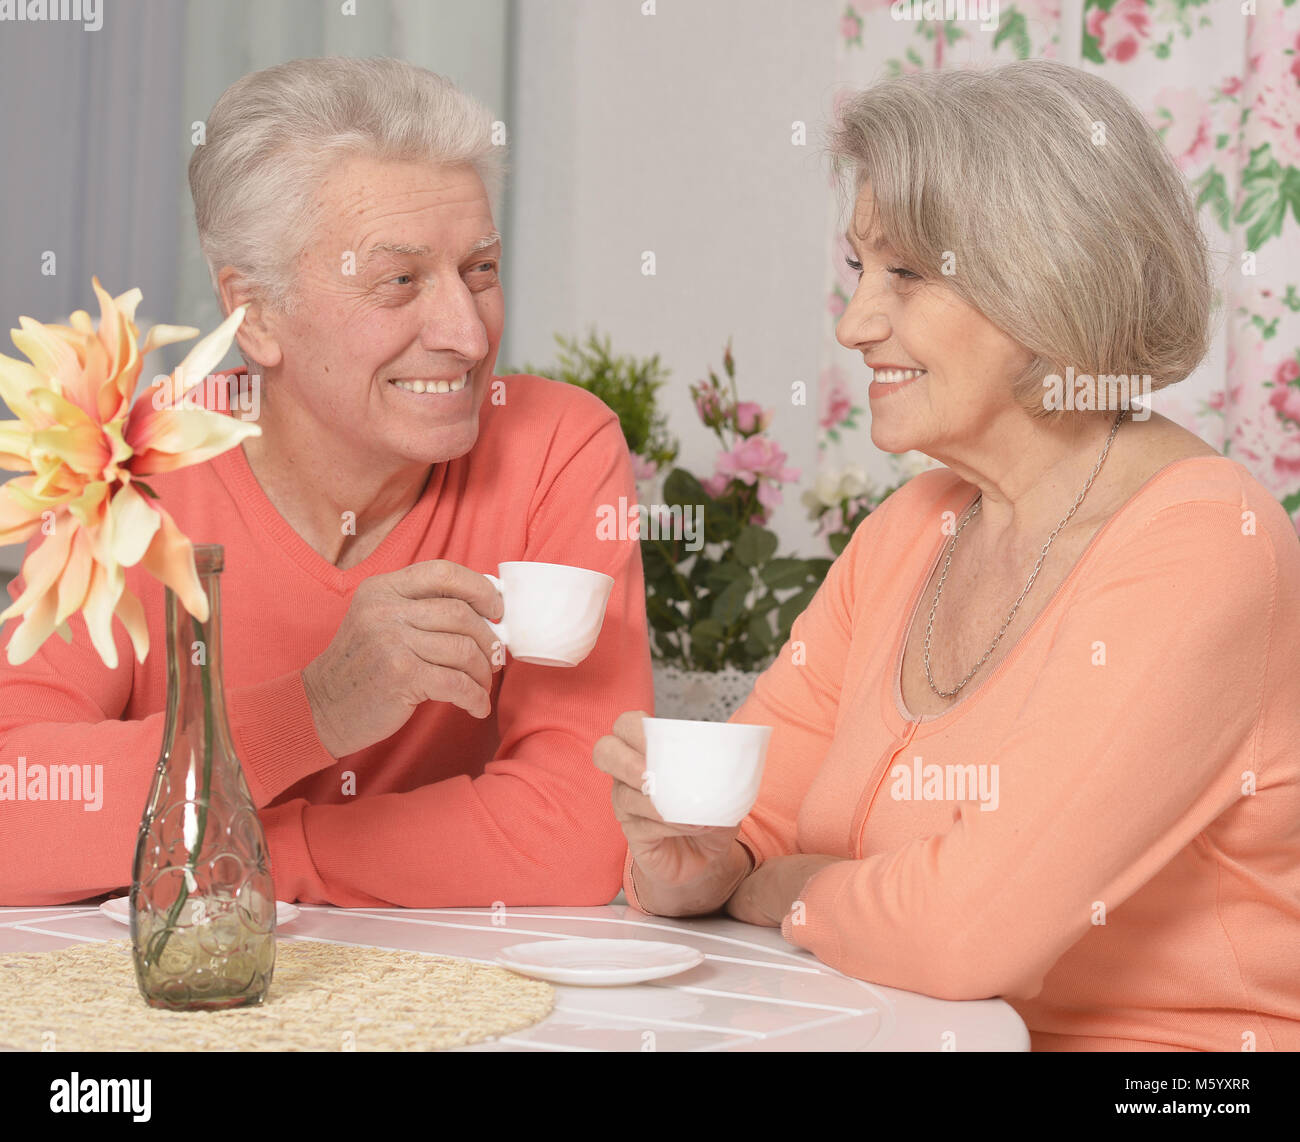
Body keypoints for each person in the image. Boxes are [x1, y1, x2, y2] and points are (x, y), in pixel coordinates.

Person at [596, 59, 1300, 1051]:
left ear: (1046, 279)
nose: (853, 324)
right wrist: (694, 862)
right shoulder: (910, 529)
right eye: (858, 269)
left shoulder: (1202, 545)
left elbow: (968, 932)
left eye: (908, 274)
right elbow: (758, 818)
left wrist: (796, 890)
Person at [0, 56, 653, 908]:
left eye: (480, 269)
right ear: (256, 315)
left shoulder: (556, 447)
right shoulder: (128, 466)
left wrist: (244, 853)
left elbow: (577, 833)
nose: (465, 332)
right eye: (399, 281)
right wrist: (310, 713)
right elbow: (17, 805)